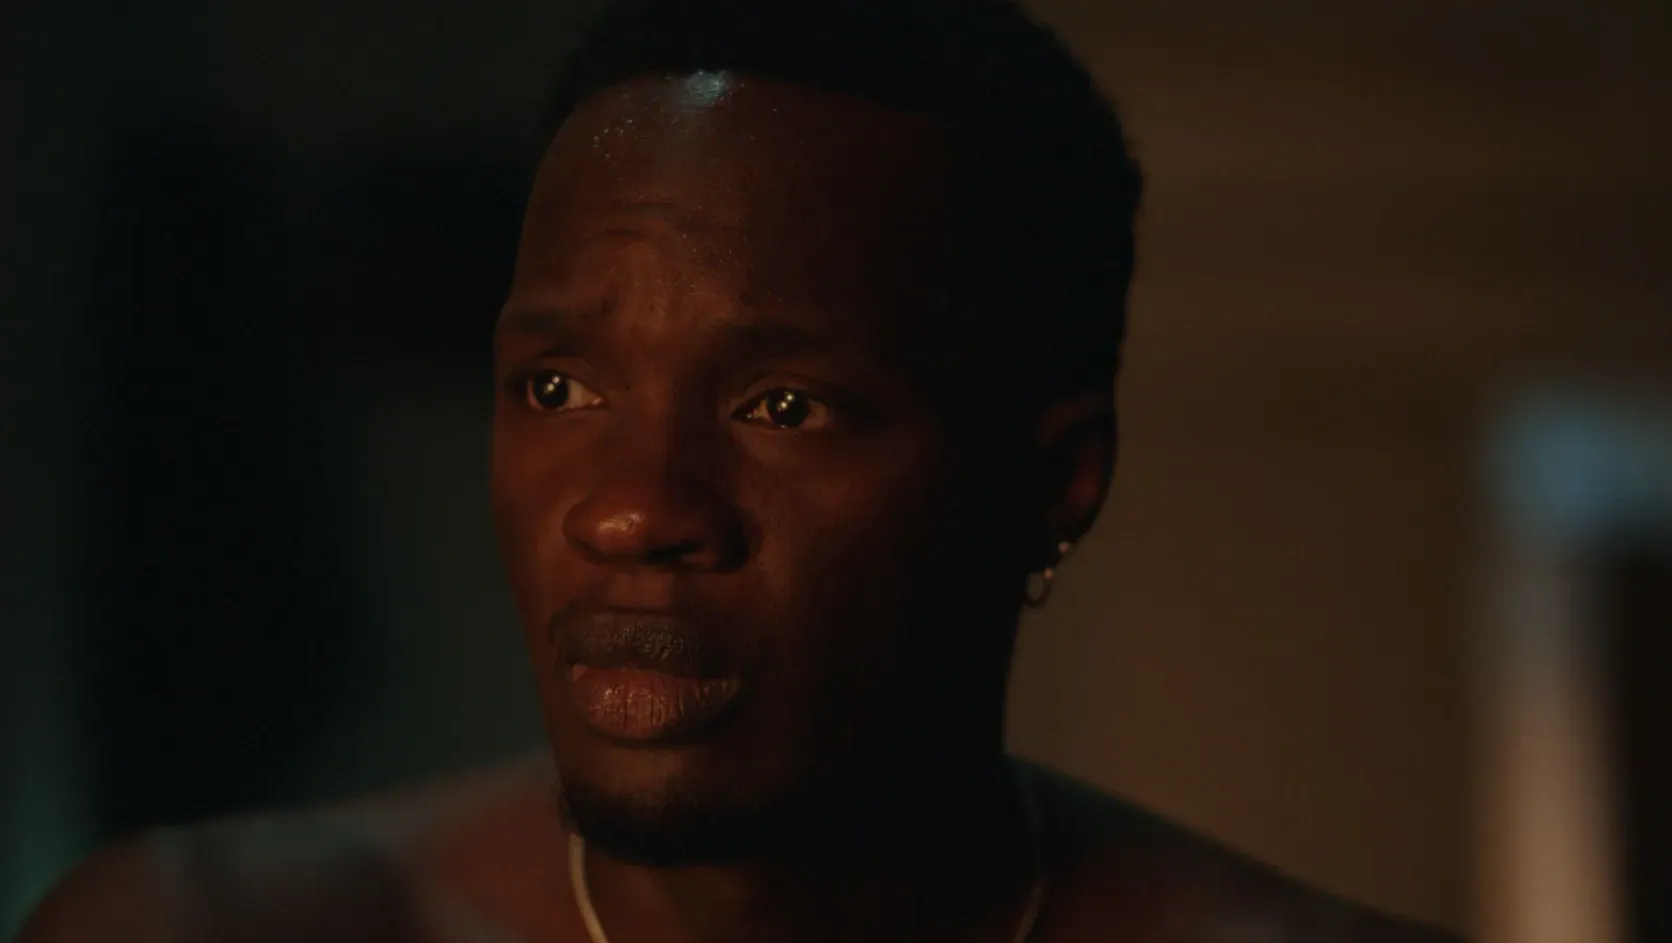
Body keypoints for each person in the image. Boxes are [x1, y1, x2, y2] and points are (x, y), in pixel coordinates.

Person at [19, 0, 1461, 940]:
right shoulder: (205, 929)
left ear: (1056, 481)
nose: (635, 507)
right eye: (562, 386)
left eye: (784, 403)